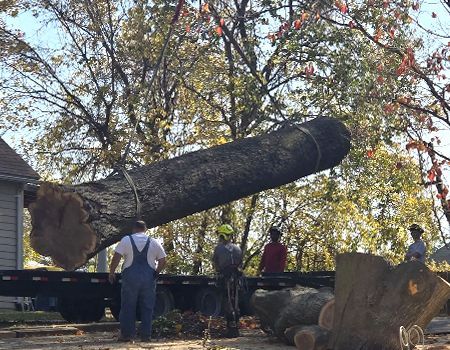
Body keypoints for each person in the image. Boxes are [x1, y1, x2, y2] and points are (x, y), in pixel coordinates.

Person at [109, 220, 167, 343]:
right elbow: (163, 260)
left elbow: (116, 258)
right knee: (147, 307)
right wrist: (156, 272)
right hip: (148, 279)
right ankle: (146, 336)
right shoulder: (153, 242)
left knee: (128, 306)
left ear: (134, 229)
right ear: (145, 229)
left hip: (130, 279)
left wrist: (112, 272)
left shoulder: (126, 240)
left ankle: (127, 335)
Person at [212, 224, 243, 338]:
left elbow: (215, 262)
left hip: (225, 279)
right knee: (235, 302)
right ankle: (236, 328)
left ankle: (231, 329)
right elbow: (240, 263)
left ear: (222, 235)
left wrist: (219, 272)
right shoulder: (238, 248)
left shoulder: (219, 248)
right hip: (236, 279)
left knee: (227, 302)